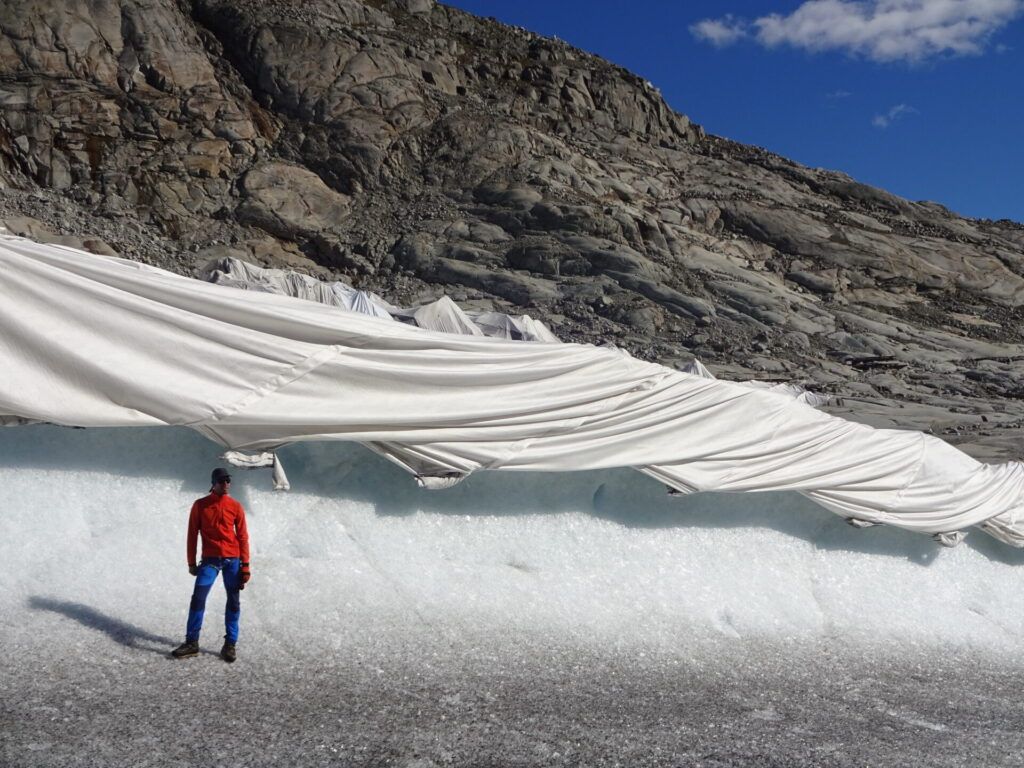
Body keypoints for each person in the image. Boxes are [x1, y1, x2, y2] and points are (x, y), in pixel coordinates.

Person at [171, 467, 251, 662]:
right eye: (222, 481)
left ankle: (230, 644)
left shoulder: (236, 506)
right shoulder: (200, 506)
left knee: (233, 601)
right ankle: (192, 642)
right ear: (213, 483)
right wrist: (191, 562)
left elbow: (242, 537)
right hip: (210, 561)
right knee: (198, 598)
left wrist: (246, 565)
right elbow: (192, 535)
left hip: (233, 560)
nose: (226, 485)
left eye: (228, 481)